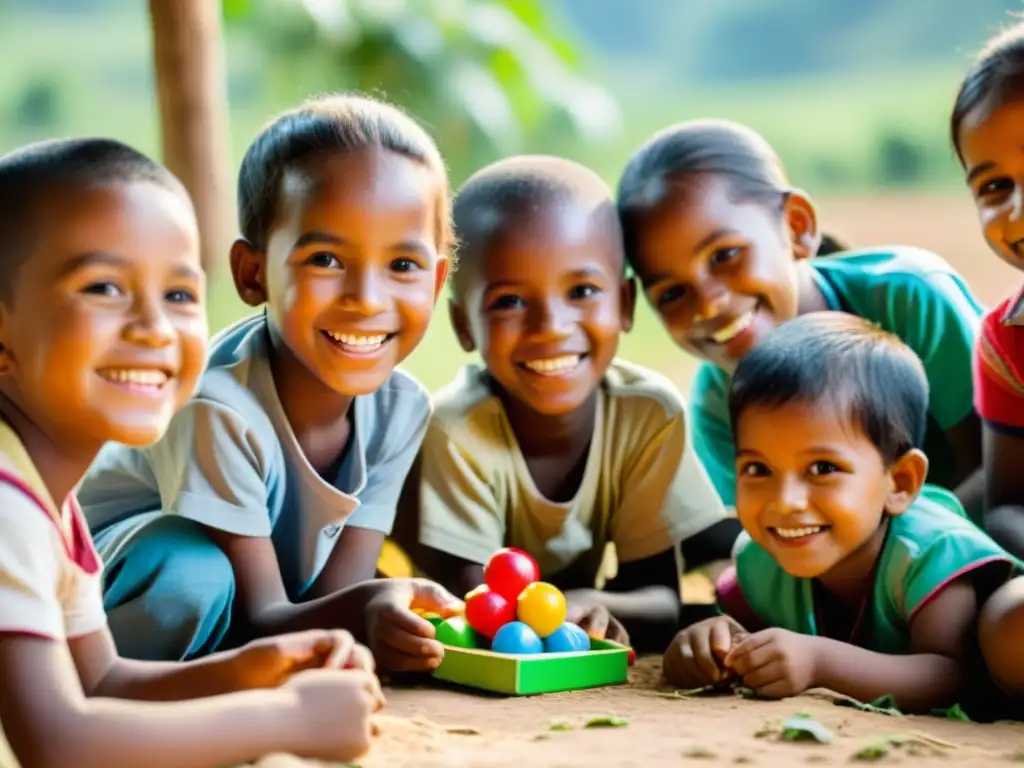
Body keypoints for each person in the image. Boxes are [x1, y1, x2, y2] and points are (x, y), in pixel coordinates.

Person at [0, 137, 385, 767]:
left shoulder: (46, 500)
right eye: (103, 288)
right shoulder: (6, 504)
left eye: (179, 295)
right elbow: (57, 744)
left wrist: (257, 669)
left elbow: (103, 684)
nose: (154, 327)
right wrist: (283, 721)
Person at [78, 93, 463, 672]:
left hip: (252, 609)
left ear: (436, 282)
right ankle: (127, 693)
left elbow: (329, 598)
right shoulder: (215, 406)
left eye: (402, 266)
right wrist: (363, 610)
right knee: (191, 573)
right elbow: (267, 617)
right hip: (106, 591)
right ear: (252, 273)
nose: (367, 298)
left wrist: (372, 608)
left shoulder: (401, 408)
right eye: (326, 260)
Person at [404, 155, 737, 651]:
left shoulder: (647, 414)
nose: (551, 327)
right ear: (463, 325)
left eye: (581, 291)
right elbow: (481, 612)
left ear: (624, 304)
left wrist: (590, 603)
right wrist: (579, 606)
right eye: (510, 301)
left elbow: (659, 598)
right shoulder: (457, 428)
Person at [616, 120, 985, 517]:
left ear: (796, 226)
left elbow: (996, 469)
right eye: (672, 293)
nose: (708, 305)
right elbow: (760, 538)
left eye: (725, 256)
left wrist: (906, 559)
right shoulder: (719, 402)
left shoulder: (909, 299)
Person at [662, 312, 1017, 714]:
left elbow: (950, 675)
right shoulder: (760, 557)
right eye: (758, 469)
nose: (786, 502)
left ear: (899, 482)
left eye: (823, 469)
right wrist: (710, 642)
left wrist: (820, 662)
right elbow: (743, 637)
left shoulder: (930, 553)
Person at [951, 20, 1024, 707]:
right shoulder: (1005, 340)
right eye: (995, 186)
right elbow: (1007, 508)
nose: (1018, 212)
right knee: (1007, 627)